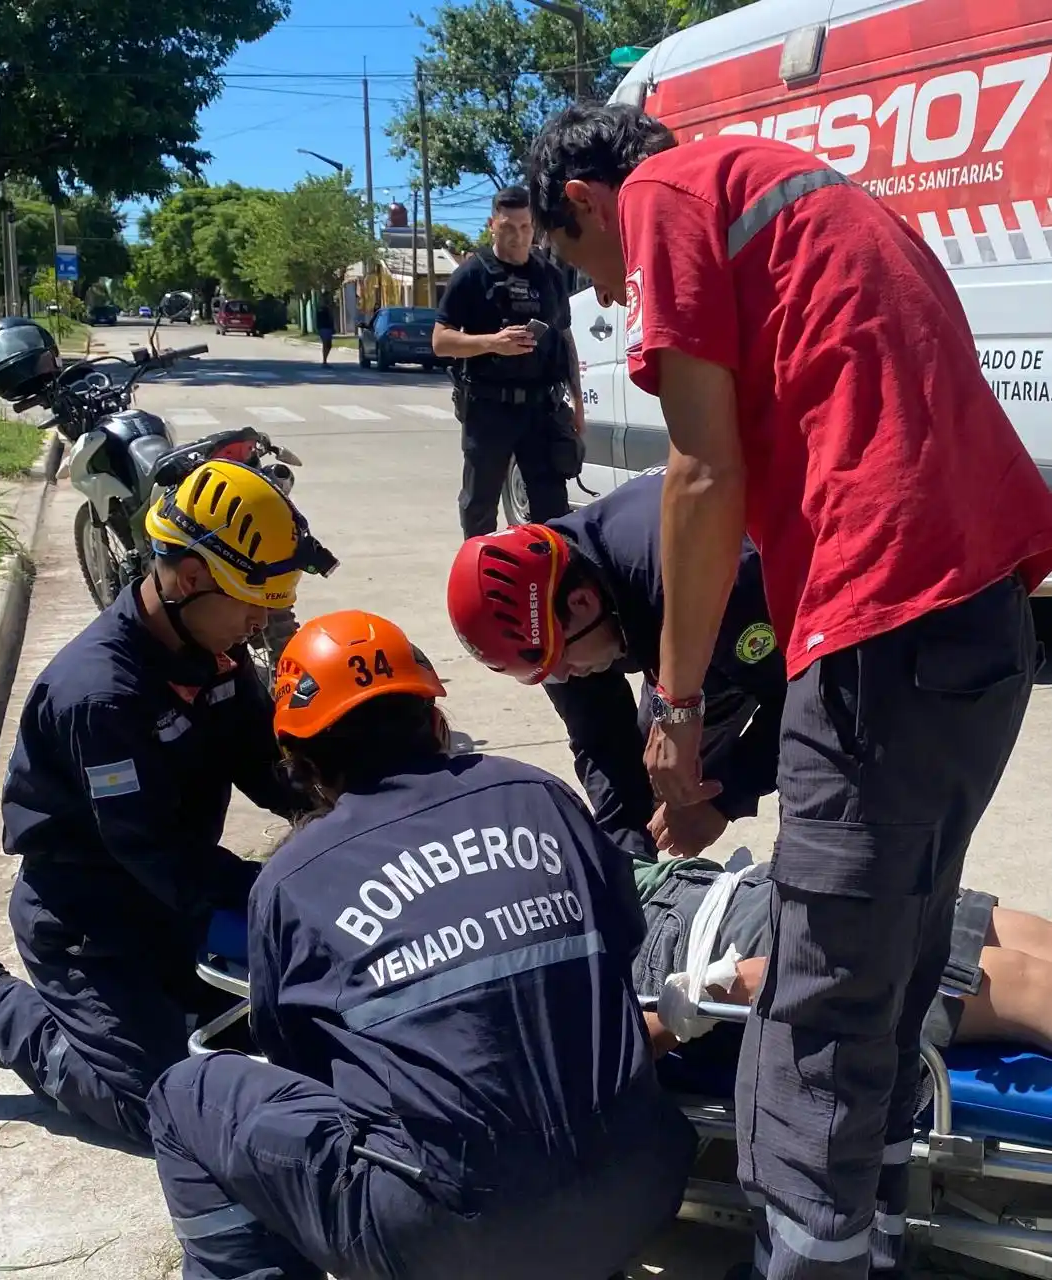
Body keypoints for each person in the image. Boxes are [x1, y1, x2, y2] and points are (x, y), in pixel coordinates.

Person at [524, 101, 1052, 1280]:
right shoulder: (804, 188)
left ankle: (812, 1257)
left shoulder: (666, 199)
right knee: (896, 947)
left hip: (888, 618)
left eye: (579, 265)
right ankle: (853, 1222)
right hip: (983, 620)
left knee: (814, 1009)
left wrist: (670, 707)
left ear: (582, 202)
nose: (609, 299)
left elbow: (702, 469)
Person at [147, 609, 697, 1280]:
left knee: (183, 1095)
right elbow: (618, 954)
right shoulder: (538, 796)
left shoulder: (292, 881)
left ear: (303, 766)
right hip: (644, 1187)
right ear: (436, 723)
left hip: (446, 1240)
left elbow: (304, 1066)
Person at [0, 460, 336, 1148]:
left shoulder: (214, 656)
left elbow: (269, 770)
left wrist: (355, 820)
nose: (261, 622)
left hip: (169, 899)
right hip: (89, 919)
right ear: (189, 578)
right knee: (155, 1109)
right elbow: (157, 855)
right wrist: (278, 901)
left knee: (297, 1027)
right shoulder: (100, 695)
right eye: (252, 601)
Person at [446, 470, 786, 862]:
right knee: (655, 769)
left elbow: (812, 700)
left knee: (816, 786)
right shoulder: (551, 599)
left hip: (794, 605)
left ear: (582, 603)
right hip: (677, 611)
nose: (564, 678)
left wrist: (726, 797)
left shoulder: (723, 588)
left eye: (562, 663)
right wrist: (628, 864)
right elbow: (601, 738)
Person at [636, 855, 1052, 1063]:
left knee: (1028, 964)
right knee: (1022, 977)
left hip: (713, 906)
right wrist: (698, 999)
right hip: (700, 939)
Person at [433, 185, 582, 539]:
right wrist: (493, 343)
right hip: (489, 410)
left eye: (526, 228)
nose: (518, 237)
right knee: (479, 506)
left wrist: (578, 404)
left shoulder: (549, 276)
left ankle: (550, 582)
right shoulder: (472, 274)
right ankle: (480, 582)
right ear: (492, 224)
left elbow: (564, 338)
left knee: (552, 508)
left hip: (542, 410)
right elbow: (440, 340)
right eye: (509, 227)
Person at [316, 299, 335, 366]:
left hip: (328, 328)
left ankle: (325, 360)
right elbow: (318, 319)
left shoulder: (327, 309)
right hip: (323, 328)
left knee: (329, 345)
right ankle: (324, 361)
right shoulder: (321, 309)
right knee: (325, 344)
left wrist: (332, 328)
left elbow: (331, 319)